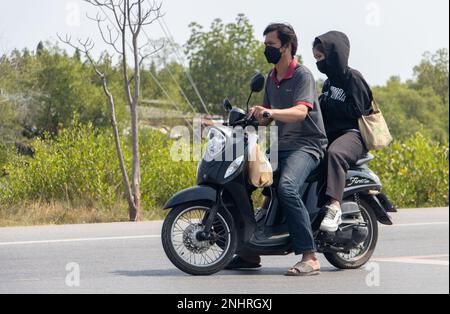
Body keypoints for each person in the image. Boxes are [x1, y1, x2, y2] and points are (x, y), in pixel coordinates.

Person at [226, 23, 328, 276]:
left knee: (286, 188)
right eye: (265, 45)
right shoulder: (272, 78)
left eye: (270, 44)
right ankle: (249, 251)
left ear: (287, 46)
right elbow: (269, 118)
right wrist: (254, 115)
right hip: (281, 145)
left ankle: (310, 256)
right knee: (238, 180)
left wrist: (270, 112)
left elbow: (300, 112)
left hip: (308, 145)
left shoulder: (302, 75)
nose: (266, 49)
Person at [312, 31, 373, 232]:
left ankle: (335, 206)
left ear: (333, 55)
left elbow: (360, 110)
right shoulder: (329, 82)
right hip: (333, 133)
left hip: (353, 134)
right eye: (316, 59)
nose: (318, 63)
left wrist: (329, 104)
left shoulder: (353, 78)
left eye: (320, 58)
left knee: (335, 154)